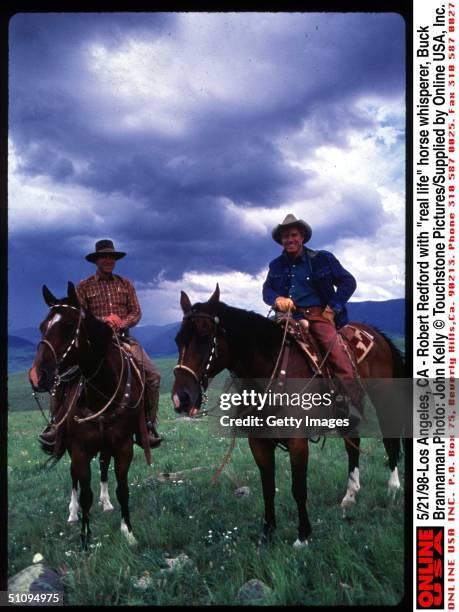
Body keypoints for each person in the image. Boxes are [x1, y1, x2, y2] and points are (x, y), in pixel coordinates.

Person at [39, 239, 162, 449]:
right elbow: (80, 316)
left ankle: (148, 426)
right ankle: (55, 424)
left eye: (111, 257)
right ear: (96, 260)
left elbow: (136, 312)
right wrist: (104, 323)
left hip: (123, 339)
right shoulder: (84, 286)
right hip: (94, 342)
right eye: (104, 256)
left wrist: (121, 322)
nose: (108, 260)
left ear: (115, 260)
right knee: (64, 375)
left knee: (153, 375)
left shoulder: (125, 284)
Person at [262, 213, 362, 429]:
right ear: (281, 240)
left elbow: (348, 282)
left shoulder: (322, 259)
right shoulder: (276, 265)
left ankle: (352, 404)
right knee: (263, 349)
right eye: (285, 237)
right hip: (287, 316)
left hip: (318, 315)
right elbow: (267, 290)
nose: (289, 240)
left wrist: (332, 308)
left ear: (303, 236)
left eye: (293, 235)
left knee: (335, 352)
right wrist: (276, 299)